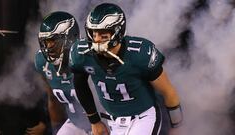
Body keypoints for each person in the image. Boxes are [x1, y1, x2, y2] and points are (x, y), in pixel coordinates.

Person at [69, 3, 183, 135]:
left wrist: (177, 125)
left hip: (144, 117)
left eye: (103, 35)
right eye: (93, 34)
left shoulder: (140, 54)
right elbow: (80, 86)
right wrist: (94, 121)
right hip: (113, 121)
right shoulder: (82, 54)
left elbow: (168, 91)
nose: (97, 40)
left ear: (118, 32)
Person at [34, 11, 92, 135]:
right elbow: (53, 99)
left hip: (106, 121)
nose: (48, 46)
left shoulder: (89, 57)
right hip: (76, 123)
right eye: (46, 41)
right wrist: (56, 128)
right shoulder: (43, 63)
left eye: (53, 40)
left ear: (70, 38)